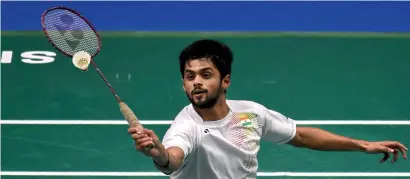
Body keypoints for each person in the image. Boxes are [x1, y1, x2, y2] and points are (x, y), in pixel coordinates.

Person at [128, 39, 408, 179]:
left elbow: (301, 136)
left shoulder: (250, 114)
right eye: (190, 77)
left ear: (225, 81)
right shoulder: (185, 126)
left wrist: (363, 145)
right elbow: (173, 157)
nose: (197, 83)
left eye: (205, 74)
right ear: (183, 84)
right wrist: (160, 154)